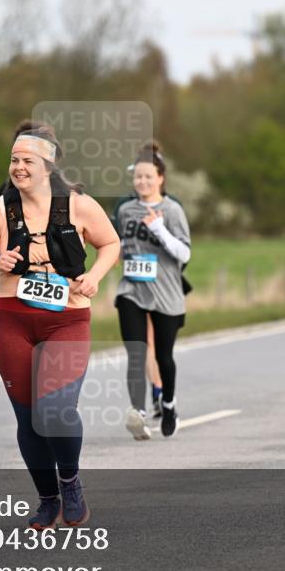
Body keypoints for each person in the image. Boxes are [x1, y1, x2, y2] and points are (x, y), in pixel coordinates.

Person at [0, 121, 119, 530]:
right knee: (28, 417)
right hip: (12, 322)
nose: (18, 167)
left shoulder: (79, 205)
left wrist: (96, 276)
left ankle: (70, 483)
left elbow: (111, 243)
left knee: (56, 409)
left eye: (27, 161)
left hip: (67, 320)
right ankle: (48, 499)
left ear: (48, 166)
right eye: (14, 160)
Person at [114, 142, 191, 439]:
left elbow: (184, 253)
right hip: (132, 289)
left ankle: (168, 404)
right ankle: (139, 412)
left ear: (160, 178)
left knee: (163, 356)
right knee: (136, 352)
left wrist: (160, 230)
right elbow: (120, 244)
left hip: (166, 292)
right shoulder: (126, 210)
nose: (142, 182)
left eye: (148, 176)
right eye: (138, 177)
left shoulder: (172, 210)